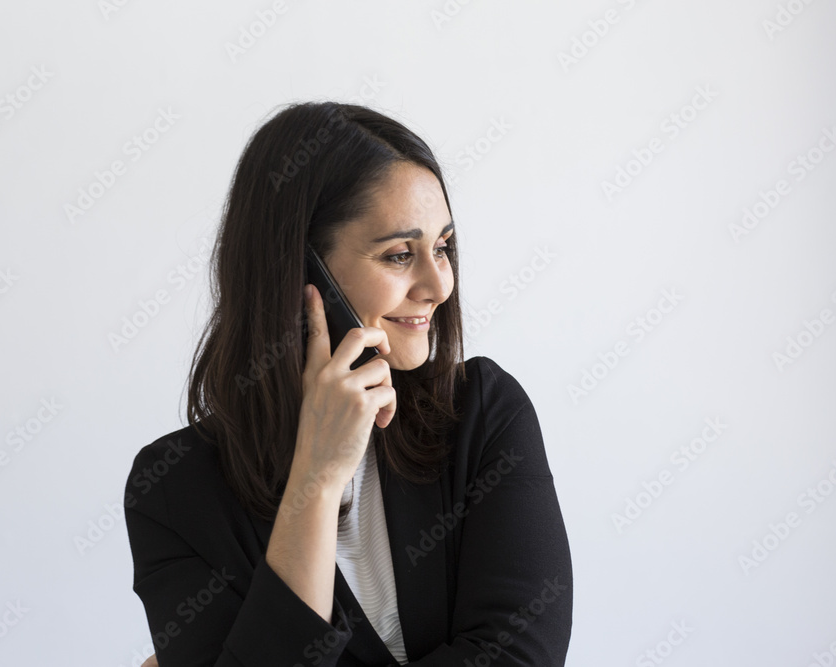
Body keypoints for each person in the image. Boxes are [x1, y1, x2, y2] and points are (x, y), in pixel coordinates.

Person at [123, 101, 572, 666]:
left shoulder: (484, 415)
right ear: (300, 272)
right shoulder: (172, 490)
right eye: (400, 255)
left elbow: (519, 658)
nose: (440, 285)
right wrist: (316, 481)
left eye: (442, 248)